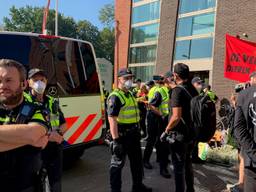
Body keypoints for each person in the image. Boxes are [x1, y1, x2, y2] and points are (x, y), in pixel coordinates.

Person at [0, 59, 49, 191]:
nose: (2, 85)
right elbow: (32, 138)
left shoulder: (37, 109)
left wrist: (28, 137)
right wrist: (25, 139)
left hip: (26, 186)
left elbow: (32, 134)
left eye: (8, 80)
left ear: (23, 84)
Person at [107, 68, 152, 192]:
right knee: (117, 165)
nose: (129, 80)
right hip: (122, 135)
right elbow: (112, 119)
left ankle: (138, 186)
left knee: (137, 163)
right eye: (125, 78)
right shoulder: (115, 96)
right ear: (119, 80)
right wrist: (115, 141)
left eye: (130, 77)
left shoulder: (130, 94)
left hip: (133, 134)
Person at [25, 68, 67, 192]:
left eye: (42, 80)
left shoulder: (52, 101)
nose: (39, 83)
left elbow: (64, 124)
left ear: (46, 81)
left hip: (53, 150)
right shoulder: (24, 102)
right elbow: (23, 129)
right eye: (35, 80)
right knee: (35, 184)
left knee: (56, 183)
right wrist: (49, 135)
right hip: (33, 151)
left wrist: (58, 134)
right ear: (28, 82)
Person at [161, 63, 198, 192]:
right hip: (191, 134)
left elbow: (176, 116)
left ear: (175, 75)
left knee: (178, 168)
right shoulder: (192, 89)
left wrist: (167, 129)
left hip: (179, 136)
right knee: (188, 164)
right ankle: (190, 189)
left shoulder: (177, 91)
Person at [143, 75, 171, 178]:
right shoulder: (160, 90)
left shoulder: (161, 89)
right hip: (155, 117)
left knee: (161, 140)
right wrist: (161, 114)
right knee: (152, 139)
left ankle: (160, 159)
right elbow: (152, 105)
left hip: (160, 117)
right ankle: (146, 160)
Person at [233, 71, 256, 192]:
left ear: (253, 78)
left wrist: (253, 153)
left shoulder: (244, 95)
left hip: (252, 161)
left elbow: (239, 128)